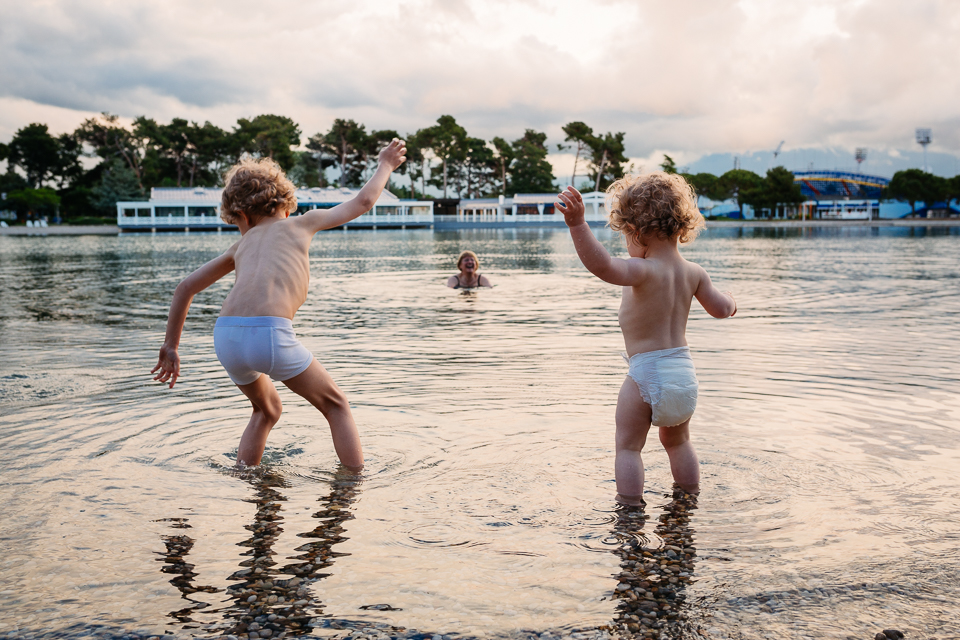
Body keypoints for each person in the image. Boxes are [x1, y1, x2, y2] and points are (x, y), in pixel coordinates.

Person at [151, 139, 407, 469]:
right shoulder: (302, 222)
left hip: (226, 337)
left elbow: (185, 288)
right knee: (336, 405)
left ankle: (248, 477)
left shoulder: (238, 247)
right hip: (269, 334)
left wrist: (171, 346)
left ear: (240, 215)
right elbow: (364, 200)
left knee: (266, 409)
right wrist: (385, 163)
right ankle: (352, 486)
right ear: (286, 206)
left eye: (236, 223)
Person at [556, 174, 736, 505]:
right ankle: (689, 499)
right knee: (679, 442)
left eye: (625, 236)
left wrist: (577, 225)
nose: (626, 245)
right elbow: (721, 309)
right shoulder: (695, 273)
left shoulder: (642, 271)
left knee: (628, 446)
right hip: (684, 376)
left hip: (646, 373)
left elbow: (603, 266)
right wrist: (732, 302)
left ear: (636, 232)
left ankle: (630, 509)